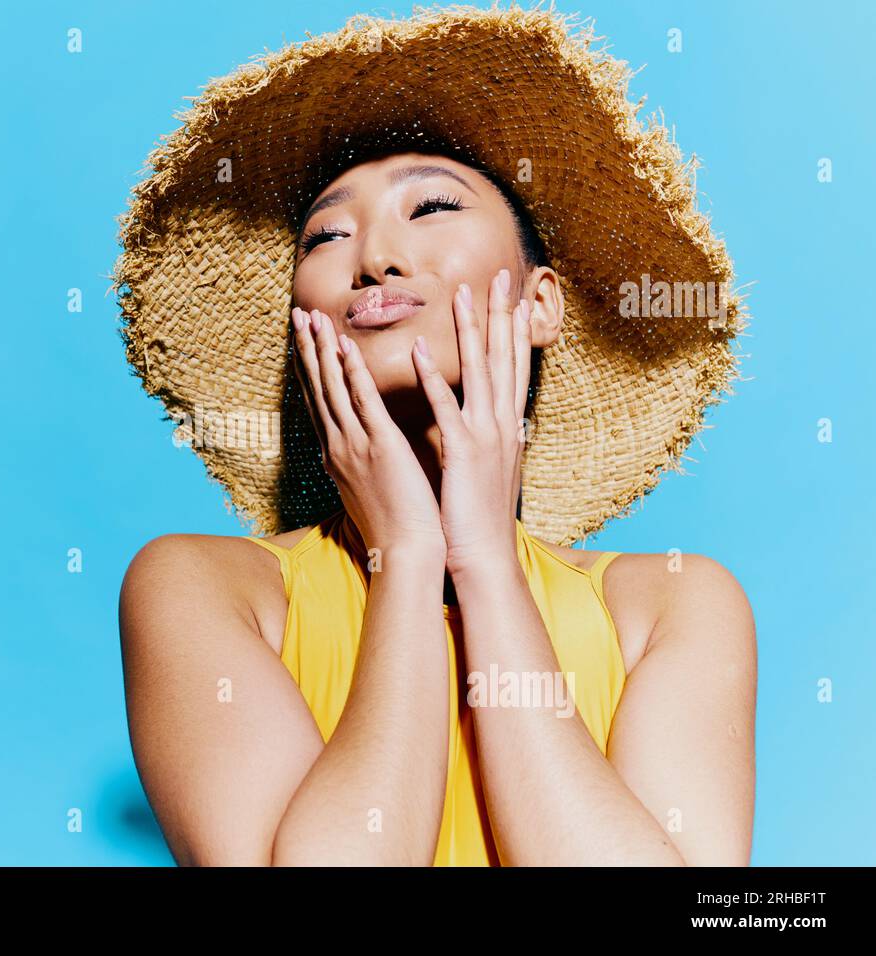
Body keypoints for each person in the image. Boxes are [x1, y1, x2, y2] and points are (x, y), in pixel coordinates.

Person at [111, 6, 755, 866]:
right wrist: (408, 553)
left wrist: (484, 557)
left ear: (539, 304)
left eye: (433, 207)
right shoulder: (202, 589)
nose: (373, 255)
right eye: (327, 235)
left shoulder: (672, 607)